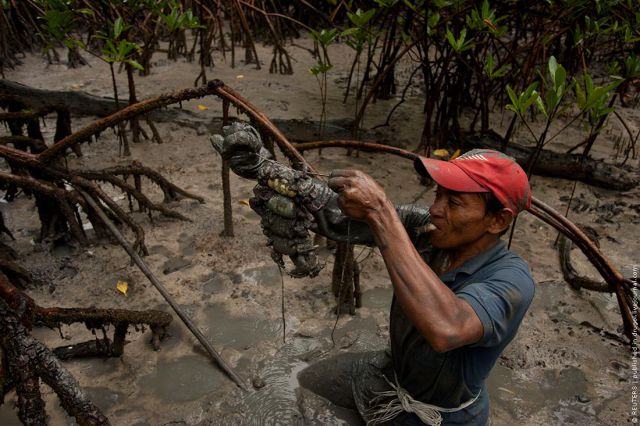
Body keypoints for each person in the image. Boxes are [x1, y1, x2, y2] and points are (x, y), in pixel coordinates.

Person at [213, 124, 535, 425]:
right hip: (390, 375)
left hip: (442, 415)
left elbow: (446, 327)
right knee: (302, 380)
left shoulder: (511, 280)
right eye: (438, 194)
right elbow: (333, 212)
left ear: (497, 221)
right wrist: (264, 169)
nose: (436, 208)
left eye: (454, 202)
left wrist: (381, 211)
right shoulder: (426, 229)